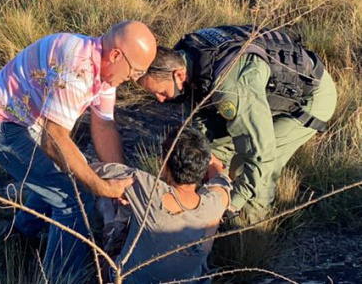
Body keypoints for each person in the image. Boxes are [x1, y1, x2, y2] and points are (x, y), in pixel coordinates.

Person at [0, 21, 157, 280]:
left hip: (29, 123)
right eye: (135, 72)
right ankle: (61, 277)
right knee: (76, 198)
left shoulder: (105, 70)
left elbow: (104, 126)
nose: (135, 80)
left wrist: (117, 179)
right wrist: (101, 187)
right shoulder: (78, 67)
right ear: (116, 55)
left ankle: (19, 236)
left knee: (70, 180)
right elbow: (53, 138)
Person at [137, 25, 337, 224]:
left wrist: (231, 205)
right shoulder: (188, 56)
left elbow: (262, 155)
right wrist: (208, 156)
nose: (160, 100)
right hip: (259, 95)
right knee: (207, 154)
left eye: (162, 92)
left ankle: (249, 226)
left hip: (306, 100)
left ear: (179, 75)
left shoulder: (231, 88)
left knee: (250, 163)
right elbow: (199, 118)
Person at [93, 127, 232, 284]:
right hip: (189, 280)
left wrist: (121, 190)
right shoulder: (217, 202)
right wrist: (210, 161)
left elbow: (93, 170)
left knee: (109, 249)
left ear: (164, 163)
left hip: (130, 279)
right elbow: (221, 176)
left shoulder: (148, 189)